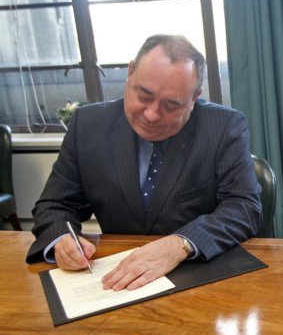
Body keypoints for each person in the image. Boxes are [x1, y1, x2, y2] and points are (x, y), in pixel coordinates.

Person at [26, 34, 262, 291]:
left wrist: (180, 244)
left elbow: (244, 207)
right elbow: (54, 204)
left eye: (171, 105)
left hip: (198, 279)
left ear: (194, 98)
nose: (151, 115)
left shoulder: (223, 127)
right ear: (130, 73)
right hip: (116, 282)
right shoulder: (87, 125)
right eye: (144, 95)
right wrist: (63, 239)